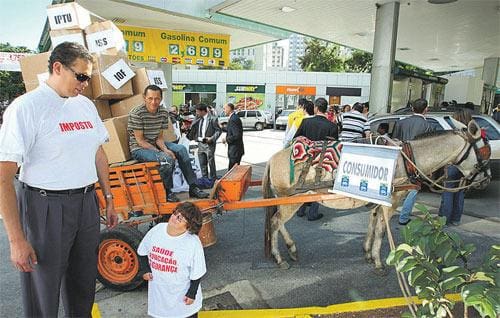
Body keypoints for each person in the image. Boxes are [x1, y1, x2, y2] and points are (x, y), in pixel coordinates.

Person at [0, 42, 118, 317]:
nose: (85, 84)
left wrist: (108, 197)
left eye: (88, 78)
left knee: (83, 282)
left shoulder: (85, 106)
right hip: (45, 207)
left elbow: (98, 153)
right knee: (44, 287)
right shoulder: (27, 108)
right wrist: (16, 240)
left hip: (87, 203)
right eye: (81, 76)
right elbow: (3, 177)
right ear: (57, 68)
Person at [128, 85, 208, 202]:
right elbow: (140, 141)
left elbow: (159, 138)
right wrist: (162, 152)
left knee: (181, 149)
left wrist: (165, 149)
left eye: (157, 98)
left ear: (161, 98)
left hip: (155, 144)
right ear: (144, 98)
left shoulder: (163, 112)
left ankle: (193, 187)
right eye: (150, 98)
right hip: (139, 148)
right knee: (166, 159)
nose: (154, 102)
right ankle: (167, 191)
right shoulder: (137, 113)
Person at [139, 202, 206, 318]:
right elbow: (142, 251)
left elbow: (197, 272)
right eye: (175, 213)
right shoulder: (157, 230)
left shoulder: (193, 243)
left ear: (189, 226)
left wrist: (192, 293)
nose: (175, 218)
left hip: (183, 299)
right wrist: (145, 269)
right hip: (160, 297)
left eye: (181, 218)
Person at [294, 97, 339, 221]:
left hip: (306, 159)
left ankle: (301, 209)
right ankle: (313, 213)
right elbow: (334, 146)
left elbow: (296, 139)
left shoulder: (306, 122)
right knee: (318, 185)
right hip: (322, 162)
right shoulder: (332, 126)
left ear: (316, 108)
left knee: (305, 182)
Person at [392, 98, 434, 225]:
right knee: (413, 188)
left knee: (397, 187)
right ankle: (404, 217)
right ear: (426, 109)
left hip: (400, 160)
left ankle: (389, 211)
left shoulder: (401, 123)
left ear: (412, 109)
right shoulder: (429, 126)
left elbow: (394, 140)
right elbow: (429, 148)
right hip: (417, 163)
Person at [438, 109, 473, 226]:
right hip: (467, 167)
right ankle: (456, 219)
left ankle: (444, 219)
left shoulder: (456, 134)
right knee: (460, 192)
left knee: (448, 192)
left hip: (453, 166)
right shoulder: (472, 133)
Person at [188, 103, 222, 180]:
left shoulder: (213, 119)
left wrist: (212, 138)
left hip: (209, 143)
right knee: (202, 162)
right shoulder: (198, 119)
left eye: (198, 112)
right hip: (200, 143)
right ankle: (205, 178)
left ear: (203, 111)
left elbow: (218, 131)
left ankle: (213, 178)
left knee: (210, 162)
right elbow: (193, 129)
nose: (196, 113)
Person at [221, 103, 244, 170]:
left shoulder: (233, 119)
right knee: (233, 170)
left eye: (224, 109)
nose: (224, 110)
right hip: (235, 150)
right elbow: (231, 130)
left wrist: (226, 139)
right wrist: (222, 127)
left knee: (232, 171)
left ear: (229, 108)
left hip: (235, 150)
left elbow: (237, 135)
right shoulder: (233, 117)